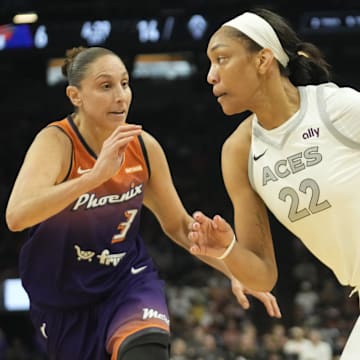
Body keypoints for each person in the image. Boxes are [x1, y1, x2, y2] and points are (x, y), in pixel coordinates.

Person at [5, 46, 281, 360]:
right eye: (106, 86)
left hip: (126, 280)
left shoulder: (143, 147)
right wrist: (92, 178)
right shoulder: (56, 142)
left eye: (124, 83)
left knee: (146, 349)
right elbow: (16, 216)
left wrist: (235, 269)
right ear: (75, 95)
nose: (121, 96)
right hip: (61, 298)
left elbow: (178, 224)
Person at [188, 7, 360, 360]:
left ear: (263, 59)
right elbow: (263, 276)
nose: (210, 76)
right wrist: (226, 250)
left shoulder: (337, 109)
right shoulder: (239, 151)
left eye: (221, 59)